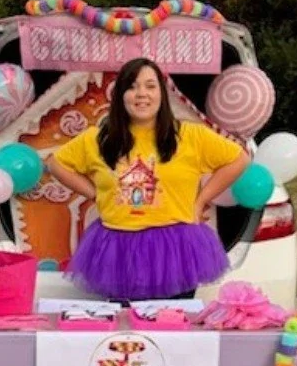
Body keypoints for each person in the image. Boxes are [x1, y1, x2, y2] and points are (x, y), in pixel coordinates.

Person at [46, 56, 249, 302]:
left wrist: (201, 200)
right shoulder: (97, 139)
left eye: (150, 86)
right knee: (127, 329)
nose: (142, 94)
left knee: (172, 327)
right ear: (120, 94)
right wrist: (95, 194)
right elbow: (56, 164)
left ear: (162, 94)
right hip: (119, 250)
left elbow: (239, 159)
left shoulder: (189, 135)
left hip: (174, 252)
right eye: (132, 86)